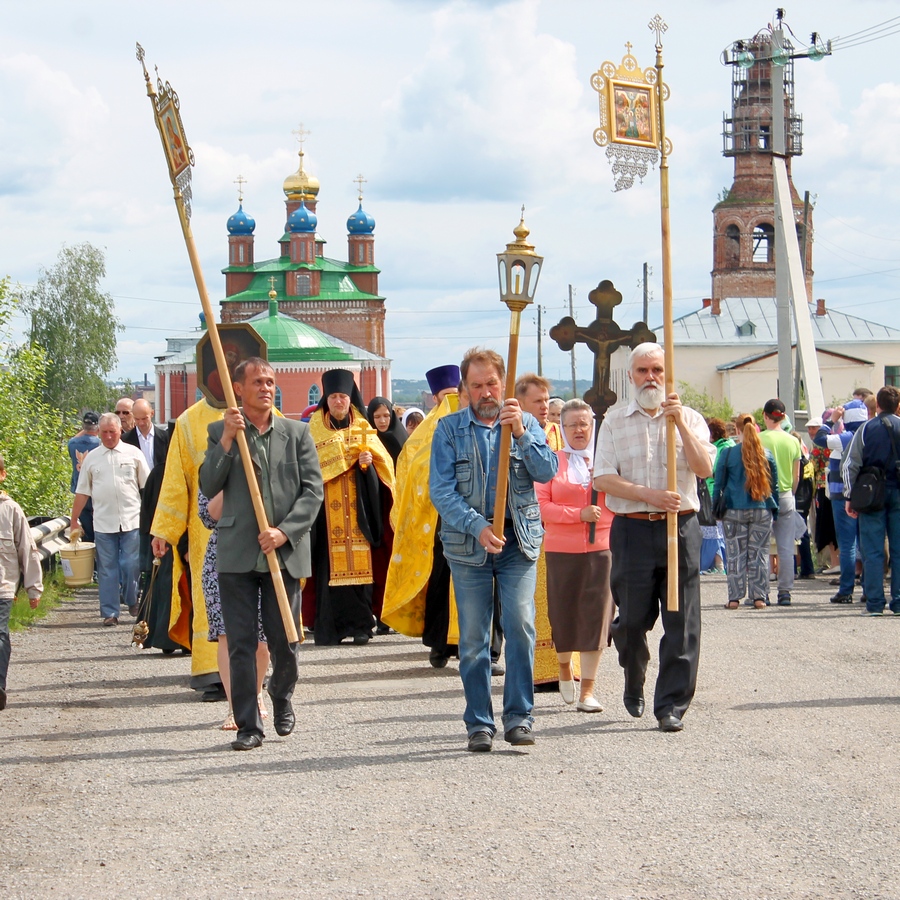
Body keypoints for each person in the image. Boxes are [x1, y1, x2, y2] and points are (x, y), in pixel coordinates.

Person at [430, 347, 557, 752]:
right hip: (469, 548)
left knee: (520, 625)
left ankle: (519, 717)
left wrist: (520, 431)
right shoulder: (448, 430)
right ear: (465, 389)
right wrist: (477, 526)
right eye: (476, 385)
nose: (485, 392)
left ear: (503, 383)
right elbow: (442, 491)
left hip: (519, 542)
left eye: (492, 384)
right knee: (473, 638)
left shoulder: (527, 423)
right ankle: (479, 723)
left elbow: (547, 471)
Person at [199, 357, 323, 750]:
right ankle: (248, 725)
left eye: (270, 381)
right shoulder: (222, 430)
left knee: (285, 639)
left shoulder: (296, 433)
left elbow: (312, 491)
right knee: (240, 643)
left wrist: (284, 532)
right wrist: (226, 442)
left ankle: (282, 694)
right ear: (239, 388)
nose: (266, 388)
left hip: (281, 555)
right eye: (257, 382)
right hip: (237, 553)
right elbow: (208, 483)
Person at [594, 342, 714, 733]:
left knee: (682, 619)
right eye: (643, 371)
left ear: (668, 374)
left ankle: (671, 705)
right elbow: (602, 477)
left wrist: (678, 423)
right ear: (631, 376)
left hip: (680, 525)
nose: (651, 378)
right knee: (630, 621)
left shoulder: (690, 419)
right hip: (633, 527)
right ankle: (634, 672)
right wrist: (648, 494)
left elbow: (704, 468)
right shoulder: (614, 420)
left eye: (658, 371)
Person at [381, 365, 464, 668]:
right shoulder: (424, 434)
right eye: (446, 397)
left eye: (457, 396)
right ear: (433, 398)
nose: (451, 402)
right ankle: (440, 645)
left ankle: (484, 650)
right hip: (439, 521)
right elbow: (412, 472)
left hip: (476, 519)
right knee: (441, 581)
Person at [305, 369, 394, 645]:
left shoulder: (363, 428)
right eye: (333, 397)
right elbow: (306, 469)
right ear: (327, 399)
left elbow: (385, 470)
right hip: (325, 516)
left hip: (360, 513)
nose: (339, 401)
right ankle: (330, 628)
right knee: (327, 569)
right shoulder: (313, 430)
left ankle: (360, 626)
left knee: (361, 567)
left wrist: (367, 466)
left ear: (349, 398)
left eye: (343, 396)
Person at [535, 399, 613, 712]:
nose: (579, 430)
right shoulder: (551, 463)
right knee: (563, 614)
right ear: (562, 429)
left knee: (597, 618)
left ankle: (588, 691)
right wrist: (577, 514)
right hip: (561, 550)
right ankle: (564, 665)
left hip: (602, 548)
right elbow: (542, 507)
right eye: (572, 425)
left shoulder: (605, 463)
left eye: (584, 424)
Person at [151, 398, 228, 698]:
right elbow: (175, 480)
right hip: (202, 531)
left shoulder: (261, 412)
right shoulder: (187, 421)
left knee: (251, 604)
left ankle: (248, 675)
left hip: (251, 529)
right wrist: (165, 531)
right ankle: (210, 672)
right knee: (209, 600)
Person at [198, 490, 270, 731]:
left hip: (260, 554)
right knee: (227, 637)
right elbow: (208, 517)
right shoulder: (214, 469)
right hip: (221, 558)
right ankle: (234, 707)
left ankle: (257, 691)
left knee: (261, 641)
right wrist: (230, 484)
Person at [71, 413, 150, 625]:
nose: (108, 436)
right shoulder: (92, 458)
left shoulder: (133, 454)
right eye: (104, 432)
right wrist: (74, 520)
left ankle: (132, 598)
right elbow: (82, 492)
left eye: (112, 432)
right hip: (104, 523)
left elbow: (147, 487)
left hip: (132, 520)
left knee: (130, 564)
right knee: (107, 568)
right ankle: (110, 612)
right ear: (98, 432)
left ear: (119, 432)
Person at [515, 372, 565, 688]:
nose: (545, 406)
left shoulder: (560, 434)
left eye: (547, 400)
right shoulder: (509, 432)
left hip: (560, 528)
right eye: (538, 401)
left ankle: (564, 668)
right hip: (527, 529)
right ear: (520, 403)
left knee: (563, 599)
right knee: (528, 604)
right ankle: (534, 672)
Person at [843, 386, 900, 616]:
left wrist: (849, 496)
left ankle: (875, 602)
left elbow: (850, 464)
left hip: (871, 493)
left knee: (873, 550)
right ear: (898, 406)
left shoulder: (865, 429)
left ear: (878, 406)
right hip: (898, 493)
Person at [713, 413, 778, 609]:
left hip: (734, 509)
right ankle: (759, 597)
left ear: (737, 430)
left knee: (735, 554)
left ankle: (734, 598)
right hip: (761, 509)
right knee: (758, 554)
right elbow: (773, 486)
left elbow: (719, 484)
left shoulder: (728, 454)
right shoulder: (766, 454)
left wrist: (715, 507)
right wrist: (776, 509)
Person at [0, 453, 42, 711]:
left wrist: (33, 588)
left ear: (2, 474)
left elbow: (27, 549)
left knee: (0, 634)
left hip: (2, 587)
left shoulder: (10, 509)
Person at [814, 400, 867, 604]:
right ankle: (869, 589)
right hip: (867, 497)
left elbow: (820, 438)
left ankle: (846, 590)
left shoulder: (847, 437)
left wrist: (831, 420)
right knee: (867, 544)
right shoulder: (868, 434)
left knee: (847, 545)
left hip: (841, 496)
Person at [758, 399, 801, 606]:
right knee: (785, 547)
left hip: (763, 496)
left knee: (762, 546)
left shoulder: (758, 439)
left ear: (765, 416)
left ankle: (762, 591)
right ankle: (785, 592)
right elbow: (796, 476)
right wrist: (790, 493)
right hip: (785, 495)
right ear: (783, 417)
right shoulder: (793, 441)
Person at [700, 417, 733, 575]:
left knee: (715, 529)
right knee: (721, 530)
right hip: (727, 495)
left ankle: (719, 563)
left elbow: (714, 471)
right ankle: (722, 563)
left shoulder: (720, 448)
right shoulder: (730, 445)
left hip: (715, 493)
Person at [806, 416, 838, 572]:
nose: (811, 431)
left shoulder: (818, 446)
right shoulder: (841, 440)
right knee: (838, 526)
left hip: (822, 487)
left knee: (826, 527)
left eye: (815, 428)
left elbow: (812, 468)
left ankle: (833, 562)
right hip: (839, 487)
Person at [67, 412, 100, 543]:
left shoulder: (72, 443)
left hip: (79, 493)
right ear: (98, 427)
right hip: (96, 492)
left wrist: (85, 429)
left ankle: (90, 561)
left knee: (87, 535)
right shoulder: (100, 444)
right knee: (100, 532)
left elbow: (76, 438)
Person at [124, 399, 168, 470]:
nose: (141, 423)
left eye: (144, 419)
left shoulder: (166, 438)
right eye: (137, 419)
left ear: (152, 414)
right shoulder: (125, 440)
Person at [366, 397, 407, 465]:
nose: (382, 421)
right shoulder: (367, 440)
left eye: (386, 416)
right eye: (377, 417)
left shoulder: (401, 439)